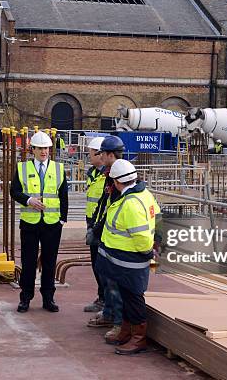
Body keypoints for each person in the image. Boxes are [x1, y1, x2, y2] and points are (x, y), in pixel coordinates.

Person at [95, 159, 161, 355]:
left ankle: (138, 338)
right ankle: (126, 330)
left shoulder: (130, 204)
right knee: (127, 296)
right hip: (123, 261)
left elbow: (141, 236)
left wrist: (148, 252)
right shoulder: (144, 194)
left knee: (133, 298)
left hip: (130, 261)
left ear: (116, 182)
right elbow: (157, 218)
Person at [10, 131, 69, 313]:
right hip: (30, 223)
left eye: (46, 148)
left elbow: (63, 196)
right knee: (28, 262)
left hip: (52, 224)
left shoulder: (58, 169)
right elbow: (14, 191)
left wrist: (62, 220)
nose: (43, 151)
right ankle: (25, 298)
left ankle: (48, 298)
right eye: (40, 148)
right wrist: (29, 200)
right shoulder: (22, 168)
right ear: (32, 150)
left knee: (50, 262)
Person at [86, 136, 124, 343]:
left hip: (116, 239)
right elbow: (104, 204)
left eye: (102, 154)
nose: (100, 157)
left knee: (116, 281)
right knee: (106, 276)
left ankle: (118, 322)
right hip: (105, 234)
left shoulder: (120, 174)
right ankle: (109, 313)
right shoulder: (108, 174)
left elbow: (115, 207)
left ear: (110, 154)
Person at [83, 137, 106, 313]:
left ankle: (106, 301)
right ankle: (102, 297)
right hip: (92, 222)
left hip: (103, 225)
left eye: (91, 153)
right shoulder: (93, 173)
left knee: (103, 264)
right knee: (96, 264)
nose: (88, 156)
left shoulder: (110, 175)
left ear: (100, 154)